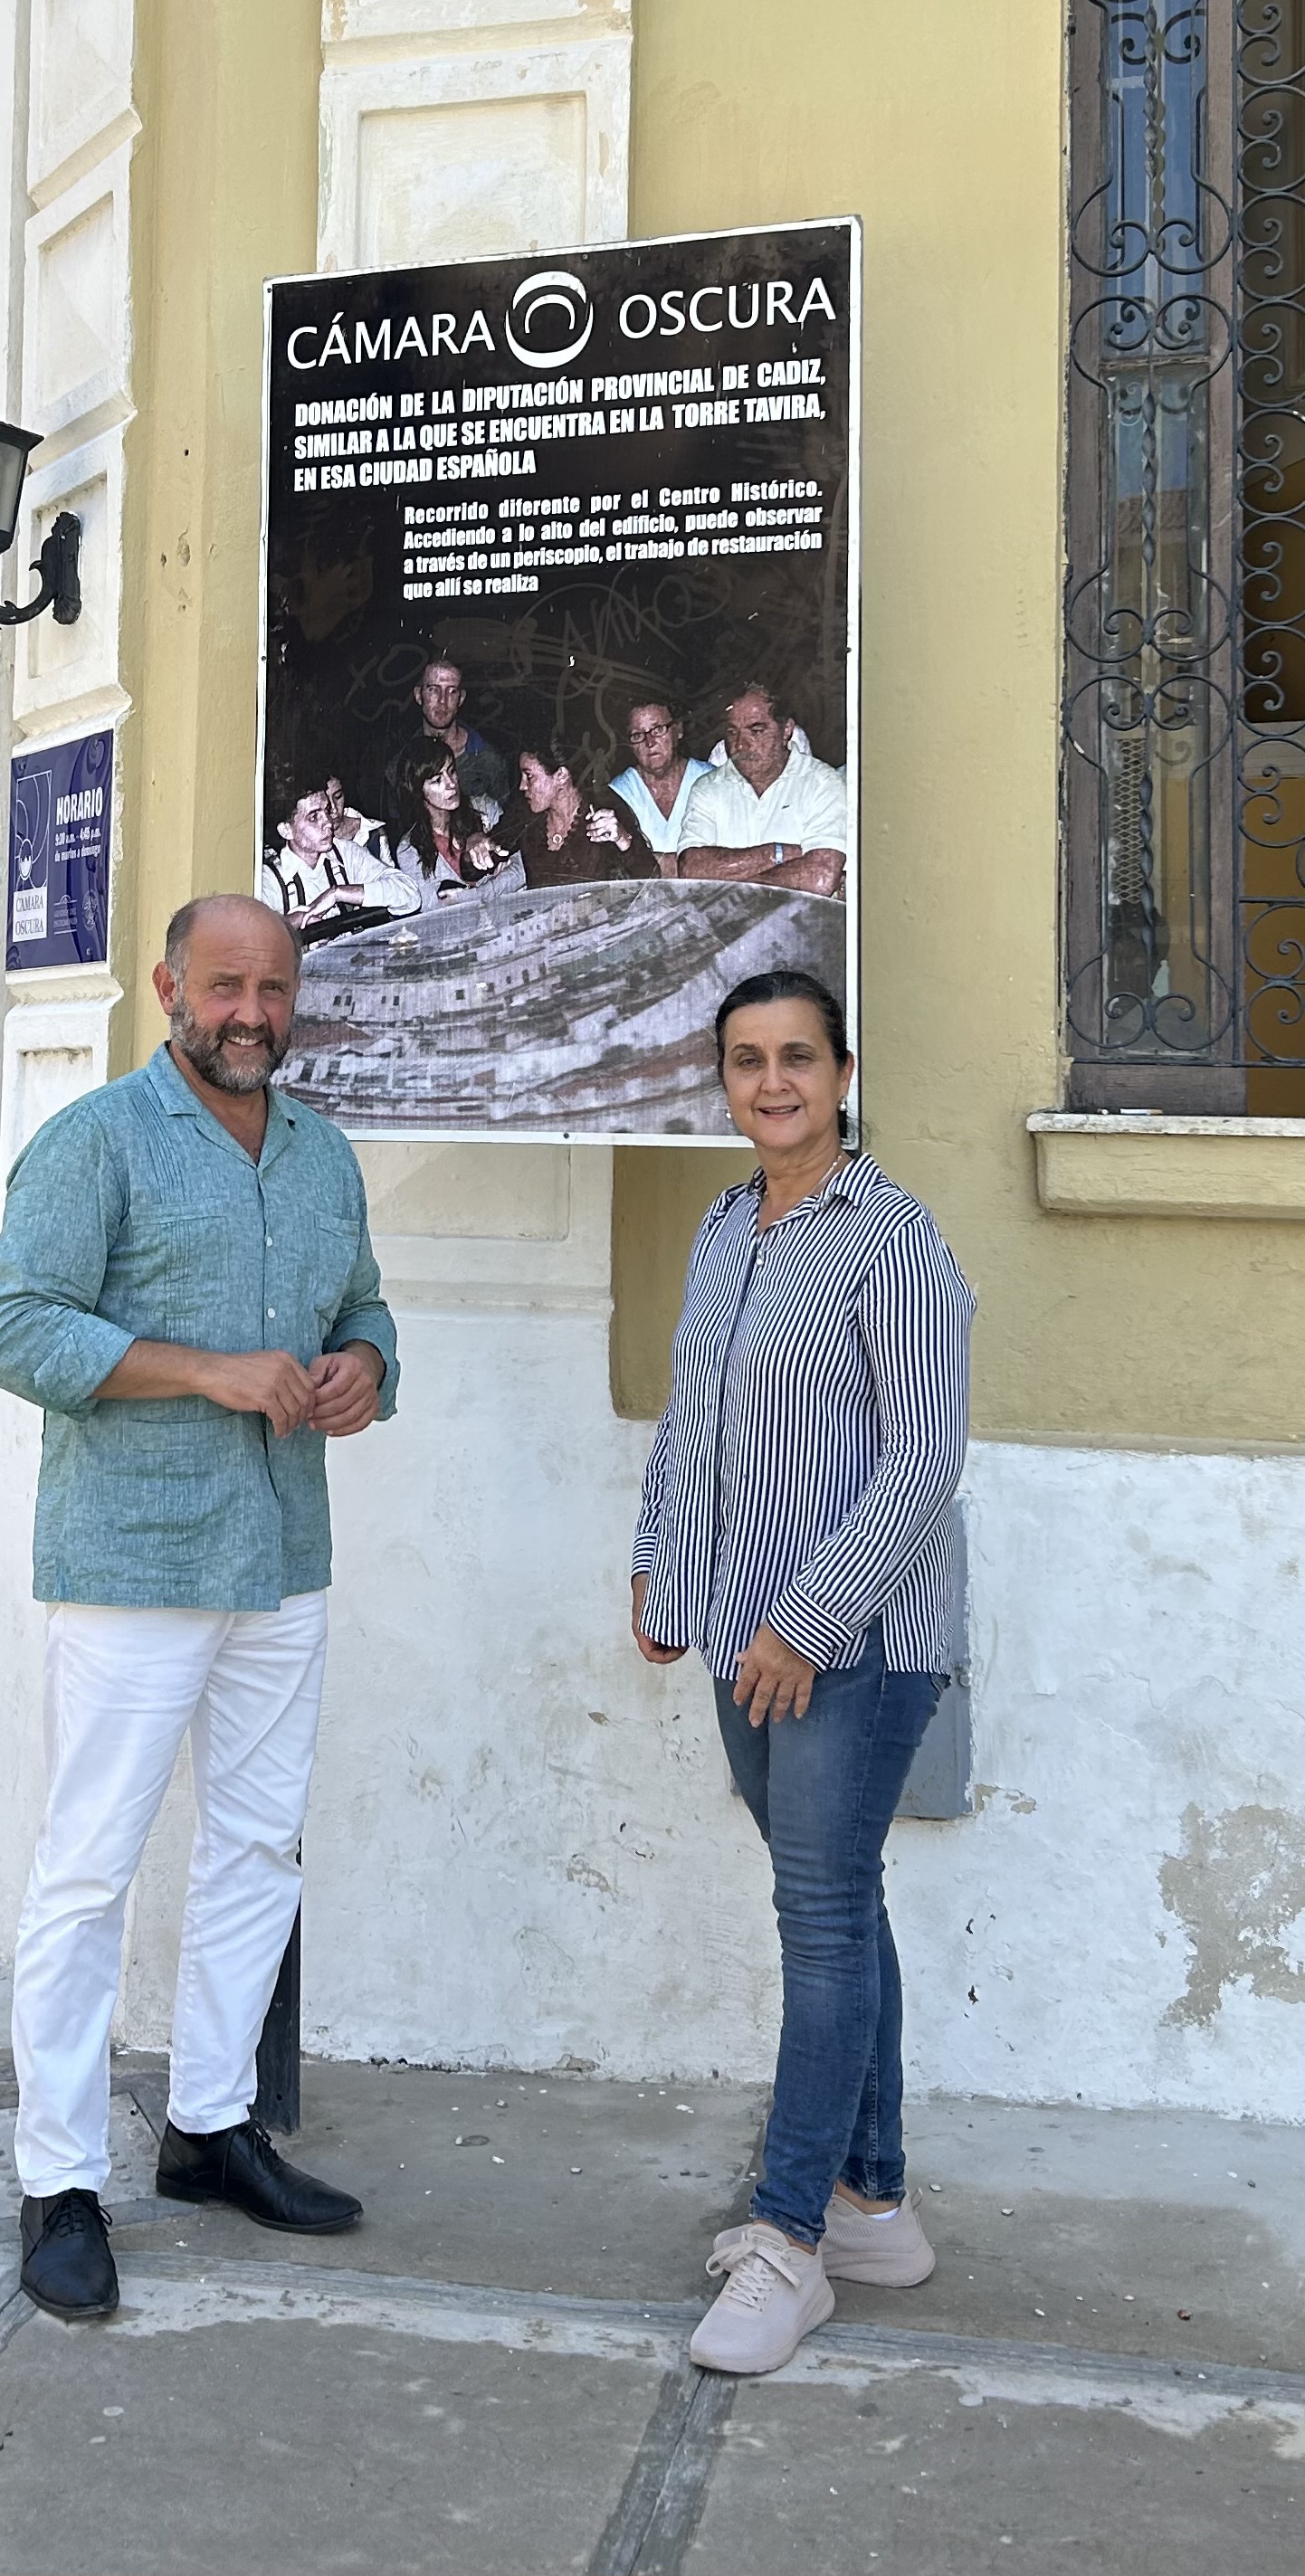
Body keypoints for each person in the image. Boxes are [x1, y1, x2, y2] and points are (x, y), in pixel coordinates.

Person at [0, 893, 400, 2324]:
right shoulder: (96, 1140)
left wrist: (361, 1371)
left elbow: (369, 1312)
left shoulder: (324, 1153)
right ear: (169, 986)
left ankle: (212, 2127)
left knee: (256, 1848)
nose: (252, 1013)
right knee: (89, 1869)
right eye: (225, 984)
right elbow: (17, 1325)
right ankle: (58, 2182)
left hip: (282, 1551)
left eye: (274, 988)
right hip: (134, 1560)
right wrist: (205, 1368)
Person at [630, 969, 973, 2377]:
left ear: (843, 1071)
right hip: (737, 1635)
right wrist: (662, 1562)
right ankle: (873, 2197)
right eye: (746, 1060)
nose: (771, 1082)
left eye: (797, 1058)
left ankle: (790, 2242)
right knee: (838, 1901)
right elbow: (690, 1414)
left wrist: (802, 1620)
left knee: (820, 1922)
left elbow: (922, 1464)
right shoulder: (726, 1227)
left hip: (850, 1645)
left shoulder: (895, 1239)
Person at [677, 685, 848, 895]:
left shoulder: (821, 782)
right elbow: (691, 868)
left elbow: (820, 877)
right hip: (726, 926)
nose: (741, 745)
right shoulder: (708, 787)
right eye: (732, 733)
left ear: (786, 730)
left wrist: (730, 891)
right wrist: (778, 854)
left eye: (756, 731)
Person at [262, 772, 419, 941]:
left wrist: (337, 893)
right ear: (286, 830)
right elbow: (254, 942)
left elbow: (409, 895)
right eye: (314, 818)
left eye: (326, 811)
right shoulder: (269, 879)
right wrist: (294, 921)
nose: (328, 823)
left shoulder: (345, 853)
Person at [491, 744, 659, 889]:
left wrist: (622, 839)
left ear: (561, 776)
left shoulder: (603, 808)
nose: (522, 786)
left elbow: (652, 877)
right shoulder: (525, 814)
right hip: (543, 923)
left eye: (529, 776)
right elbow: (475, 867)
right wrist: (477, 846)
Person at [386, 656, 511, 813]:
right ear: (419, 695)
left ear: (461, 698)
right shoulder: (400, 766)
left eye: (451, 691)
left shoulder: (489, 760)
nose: (442, 701)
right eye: (433, 690)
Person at [393, 746, 510, 908]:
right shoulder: (410, 849)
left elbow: (522, 870)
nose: (451, 784)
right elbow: (432, 909)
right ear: (417, 790)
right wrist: (498, 882)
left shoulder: (485, 810)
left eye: (452, 771)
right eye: (437, 780)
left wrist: (472, 896)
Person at [609, 697, 712, 872]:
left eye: (658, 730)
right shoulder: (619, 791)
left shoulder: (710, 780)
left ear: (678, 731)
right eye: (638, 735)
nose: (649, 743)